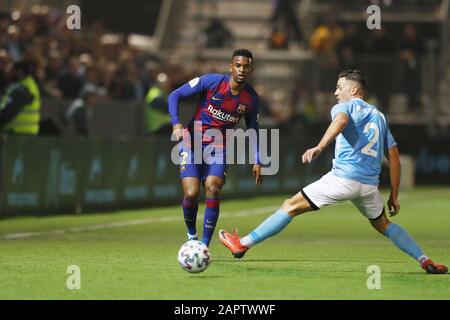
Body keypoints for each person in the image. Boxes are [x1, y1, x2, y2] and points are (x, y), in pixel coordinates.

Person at [219, 69, 448, 274]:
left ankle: (242, 245)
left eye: (340, 88)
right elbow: (394, 157)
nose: (336, 92)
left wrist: (320, 146)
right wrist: (394, 196)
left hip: (343, 179)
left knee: (289, 206)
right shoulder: (379, 116)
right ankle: (424, 259)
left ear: (354, 90)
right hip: (369, 186)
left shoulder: (344, 107)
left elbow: (340, 120)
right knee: (384, 225)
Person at [168, 48, 262, 247]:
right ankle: (192, 236)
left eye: (246, 66)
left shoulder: (251, 99)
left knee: (213, 187)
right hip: (191, 142)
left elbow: (253, 128)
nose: (242, 70)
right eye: (238, 65)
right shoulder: (212, 81)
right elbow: (174, 95)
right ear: (231, 67)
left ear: (251, 69)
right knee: (192, 193)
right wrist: (176, 123)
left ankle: (204, 245)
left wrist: (257, 159)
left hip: (218, 148)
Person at [0, 60, 41, 135]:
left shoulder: (22, 90)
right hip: (25, 132)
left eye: (12, 70)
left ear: (20, 72)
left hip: (18, 133)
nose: (9, 72)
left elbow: (9, 112)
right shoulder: (29, 84)